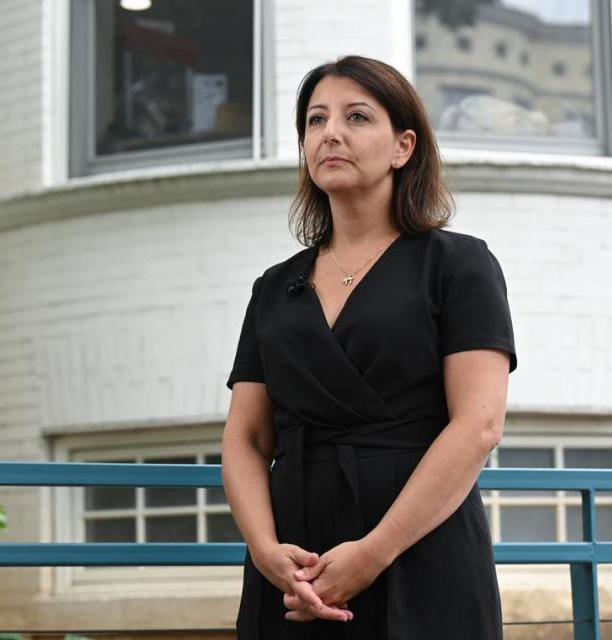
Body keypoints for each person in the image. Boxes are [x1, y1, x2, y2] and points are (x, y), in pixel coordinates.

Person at [221, 54, 518, 639]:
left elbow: (479, 425)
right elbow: (247, 436)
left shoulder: (458, 265)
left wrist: (374, 552)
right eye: (314, 120)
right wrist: (264, 550)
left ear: (403, 146)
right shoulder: (274, 286)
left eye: (356, 117)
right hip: (294, 564)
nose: (330, 133)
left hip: (417, 545)